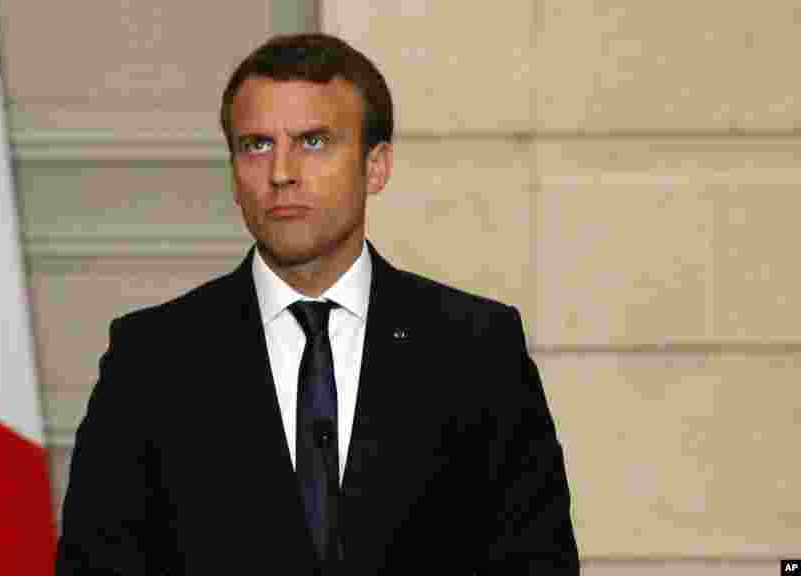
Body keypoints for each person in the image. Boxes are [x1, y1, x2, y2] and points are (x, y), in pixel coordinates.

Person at [55, 33, 579, 575]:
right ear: (233, 171)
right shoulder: (151, 359)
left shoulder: (476, 349)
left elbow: (537, 562)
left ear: (376, 166)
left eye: (312, 141)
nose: (281, 172)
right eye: (256, 145)